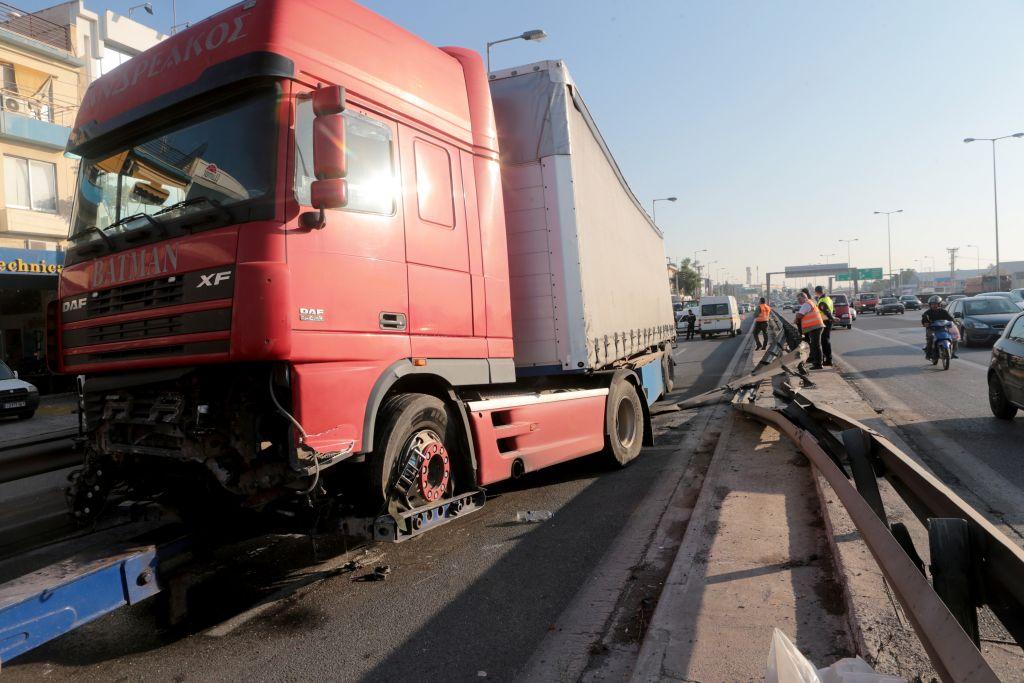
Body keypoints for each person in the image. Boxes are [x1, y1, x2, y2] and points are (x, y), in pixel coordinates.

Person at [794, 291, 824, 369]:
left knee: (816, 345)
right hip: (814, 327)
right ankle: (814, 359)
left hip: (815, 327)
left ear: (804, 297)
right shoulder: (809, 303)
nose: (798, 301)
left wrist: (797, 315)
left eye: (799, 299)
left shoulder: (806, 304)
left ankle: (818, 364)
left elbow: (800, 315)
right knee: (814, 345)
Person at [814, 285, 834, 366]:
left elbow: (826, 311)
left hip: (825, 321)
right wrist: (832, 318)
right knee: (826, 340)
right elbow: (832, 310)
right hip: (827, 321)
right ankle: (828, 359)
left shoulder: (822, 300)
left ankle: (828, 360)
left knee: (824, 341)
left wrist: (832, 318)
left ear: (816, 292)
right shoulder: (828, 299)